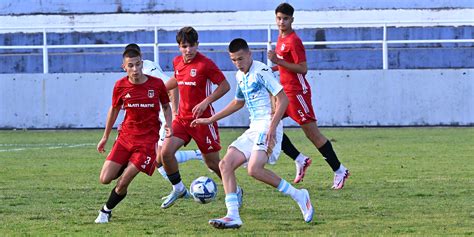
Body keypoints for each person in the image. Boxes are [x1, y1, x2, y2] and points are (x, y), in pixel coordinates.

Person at [192, 38, 314, 229]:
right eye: (233, 60)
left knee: (254, 169)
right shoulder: (240, 76)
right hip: (254, 127)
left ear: (249, 54)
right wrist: (211, 119)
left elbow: (282, 100)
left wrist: (272, 127)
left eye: (240, 59)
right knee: (225, 164)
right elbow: (237, 102)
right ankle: (232, 215)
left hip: (267, 125)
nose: (238, 64)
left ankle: (299, 195)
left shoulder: (262, 71)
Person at [267, 3, 350, 189]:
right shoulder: (280, 38)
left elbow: (303, 69)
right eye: (279, 18)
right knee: (271, 126)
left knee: (312, 134)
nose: (282, 22)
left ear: (292, 20)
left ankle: (339, 170)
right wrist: (271, 68)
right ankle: (300, 159)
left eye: (285, 19)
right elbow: (284, 64)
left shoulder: (294, 40)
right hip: (284, 92)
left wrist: (277, 61)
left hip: (298, 93)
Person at [94, 47, 172, 223]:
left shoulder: (156, 84)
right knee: (105, 179)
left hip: (146, 144)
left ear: (142, 64)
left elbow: (166, 106)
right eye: (131, 66)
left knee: (123, 182)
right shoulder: (120, 86)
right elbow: (114, 109)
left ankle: (105, 211)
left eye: (138, 65)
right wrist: (105, 136)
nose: (135, 69)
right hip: (125, 139)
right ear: (124, 67)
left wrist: (169, 124)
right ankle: (125, 163)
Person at [160, 26, 233, 209]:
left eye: (192, 46)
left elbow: (225, 86)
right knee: (165, 154)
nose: (188, 50)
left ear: (197, 45)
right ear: (179, 46)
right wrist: (175, 109)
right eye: (184, 46)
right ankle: (178, 189)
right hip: (182, 120)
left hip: (202, 121)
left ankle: (235, 192)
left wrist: (206, 102)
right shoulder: (177, 62)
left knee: (214, 164)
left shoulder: (205, 64)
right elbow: (176, 83)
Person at [123, 43, 203, 180]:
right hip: (158, 115)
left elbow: (172, 86)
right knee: (157, 158)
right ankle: (180, 189)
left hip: (166, 114)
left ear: (140, 59)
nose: (134, 67)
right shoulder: (142, 68)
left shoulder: (148, 70)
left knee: (160, 157)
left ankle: (196, 156)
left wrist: (174, 113)